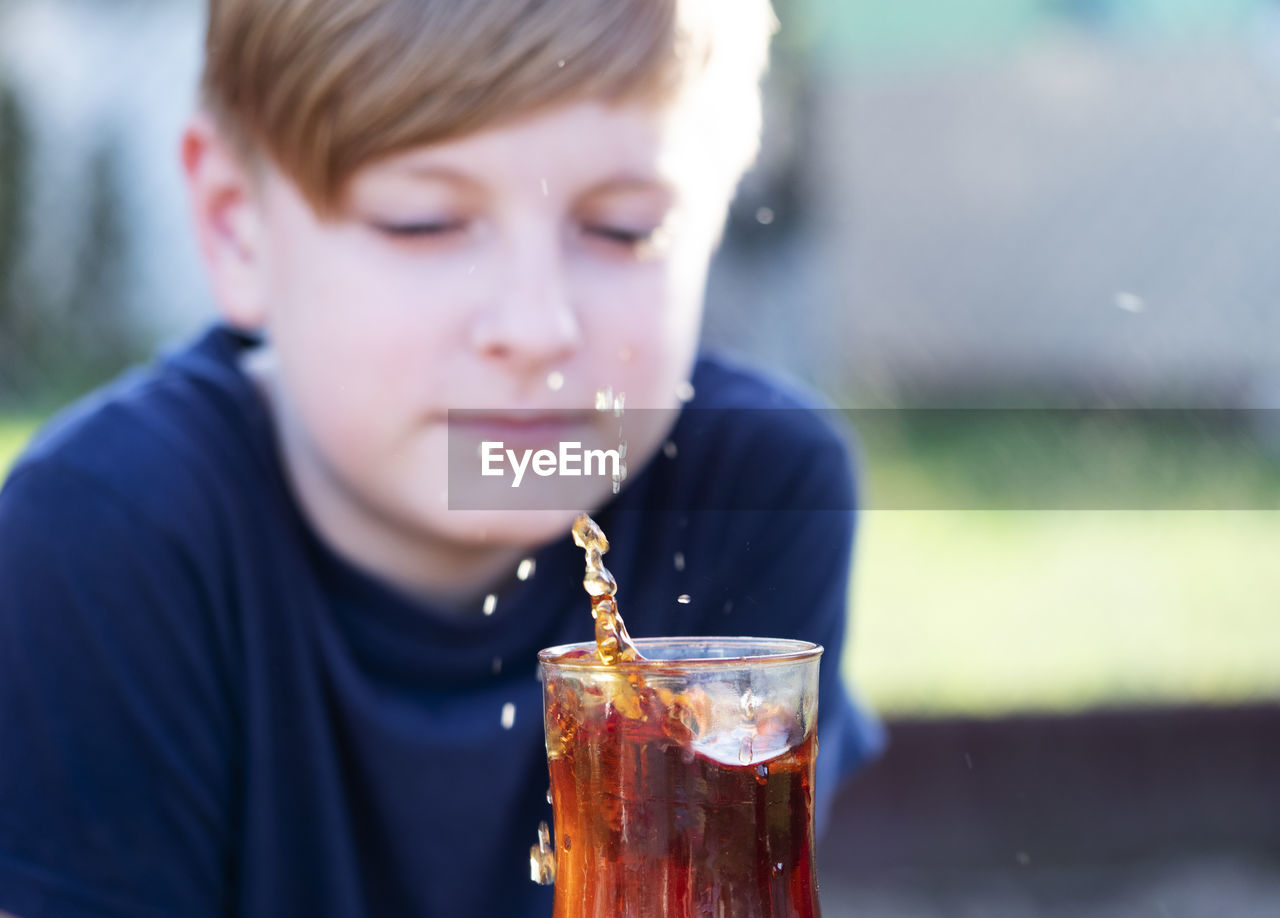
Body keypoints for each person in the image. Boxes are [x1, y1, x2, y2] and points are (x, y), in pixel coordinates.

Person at [0, 0, 883, 915]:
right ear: (236, 227)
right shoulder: (106, 537)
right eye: (423, 222)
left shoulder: (756, 493)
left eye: (623, 229)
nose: (536, 328)